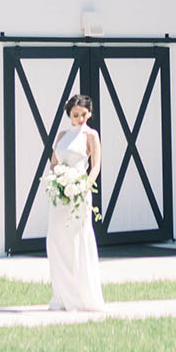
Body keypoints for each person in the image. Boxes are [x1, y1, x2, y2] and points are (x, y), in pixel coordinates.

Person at [47, 94, 105, 311]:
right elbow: (54, 163)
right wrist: (57, 182)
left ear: (89, 113)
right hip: (59, 195)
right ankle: (62, 295)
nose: (80, 119)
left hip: (79, 194)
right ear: (69, 115)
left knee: (78, 241)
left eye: (83, 115)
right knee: (57, 240)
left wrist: (83, 187)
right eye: (75, 115)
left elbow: (95, 167)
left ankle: (82, 297)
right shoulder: (62, 135)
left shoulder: (91, 135)